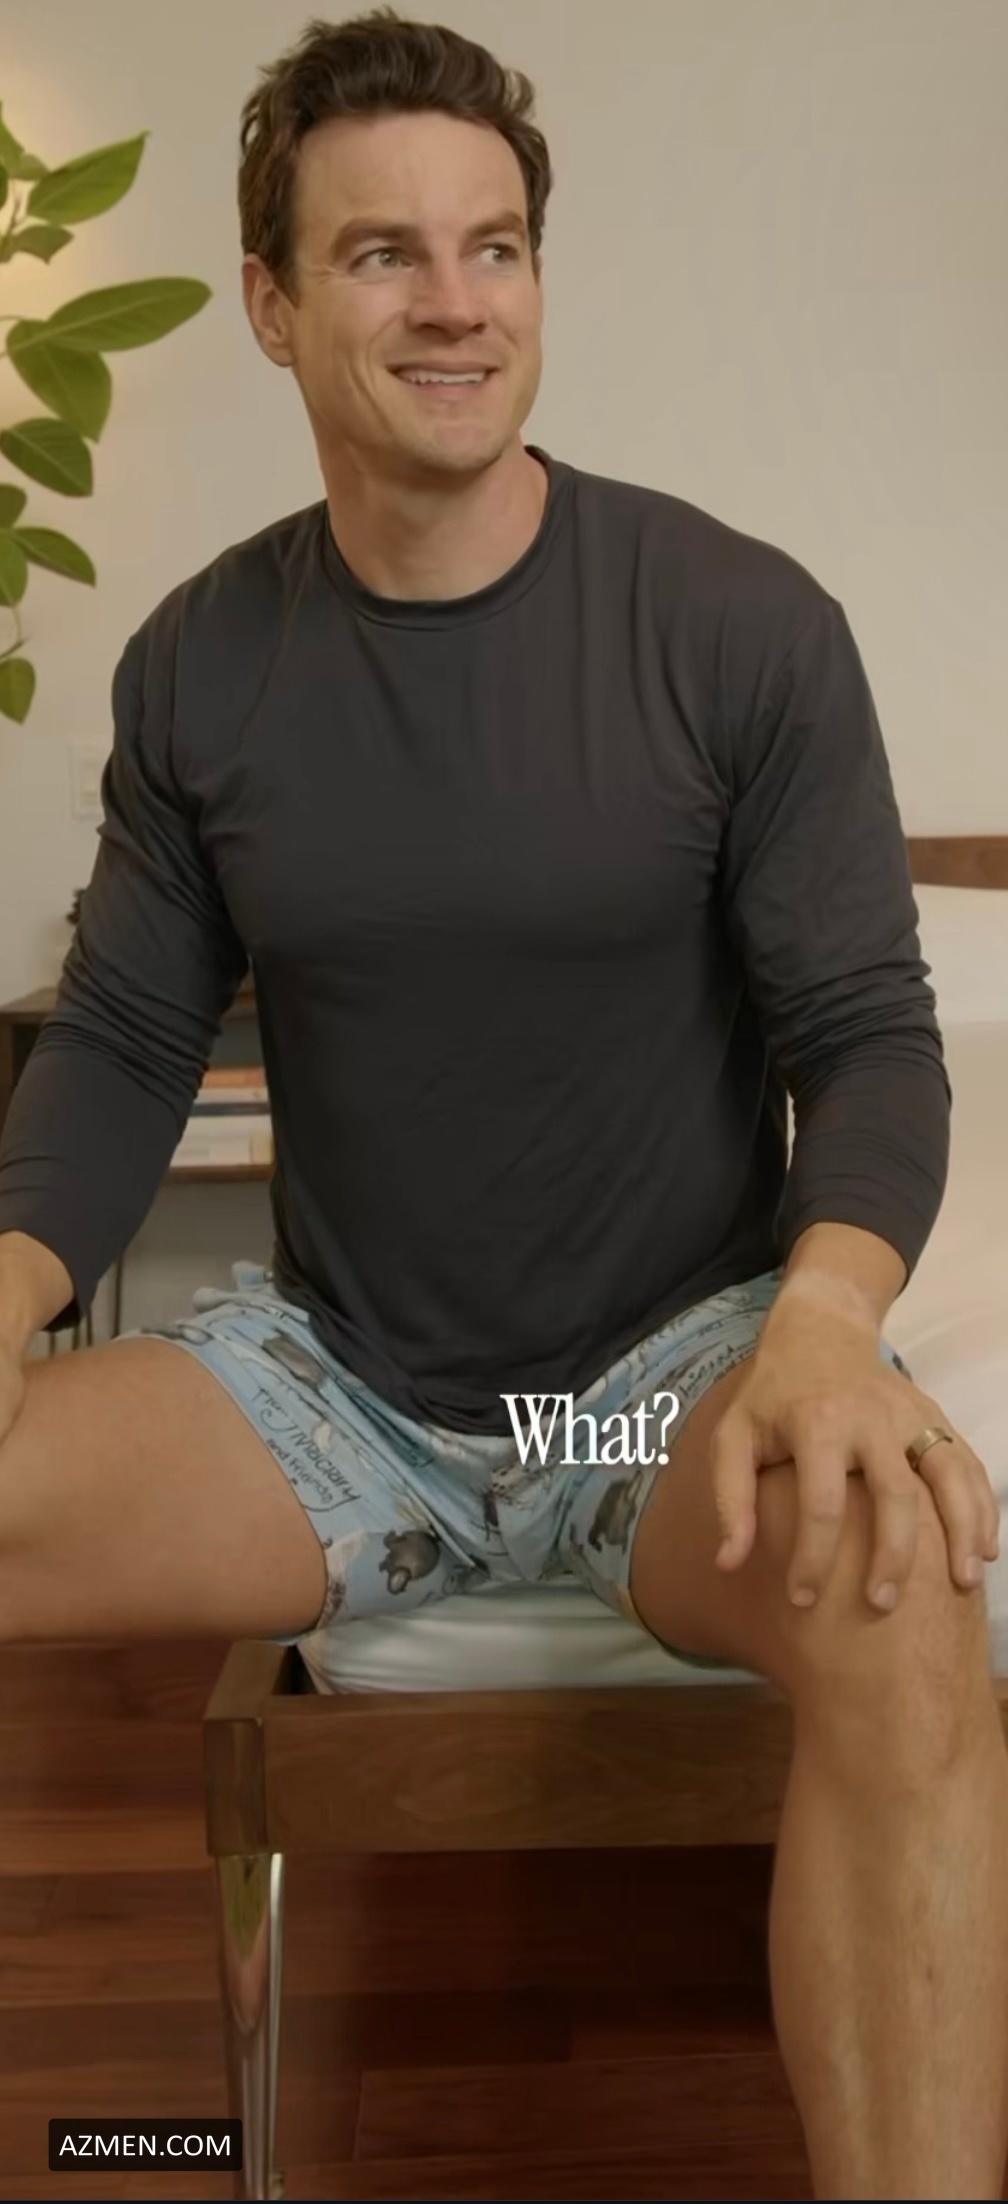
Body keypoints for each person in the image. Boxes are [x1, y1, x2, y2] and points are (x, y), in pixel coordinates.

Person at [0, 7, 1004, 2193]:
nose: (455, 302)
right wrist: (6, 1286)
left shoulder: (735, 626)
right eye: (382, 254)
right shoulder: (201, 664)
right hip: (345, 1397)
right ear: (272, 303)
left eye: (496, 247)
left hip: (651, 1400)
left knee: (911, 1592)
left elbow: (869, 1036)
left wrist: (825, 1324)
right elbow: (127, 1038)